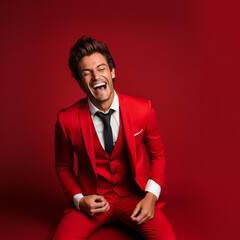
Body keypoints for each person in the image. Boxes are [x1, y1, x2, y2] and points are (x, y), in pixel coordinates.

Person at [52, 36, 175, 239]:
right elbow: (63, 166)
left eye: (101, 68)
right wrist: (79, 200)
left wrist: (151, 196)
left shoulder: (143, 109)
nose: (96, 77)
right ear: (80, 82)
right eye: (86, 73)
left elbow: (158, 154)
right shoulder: (66, 120)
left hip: (134, 196)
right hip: (93, 199)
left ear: (112, 72)